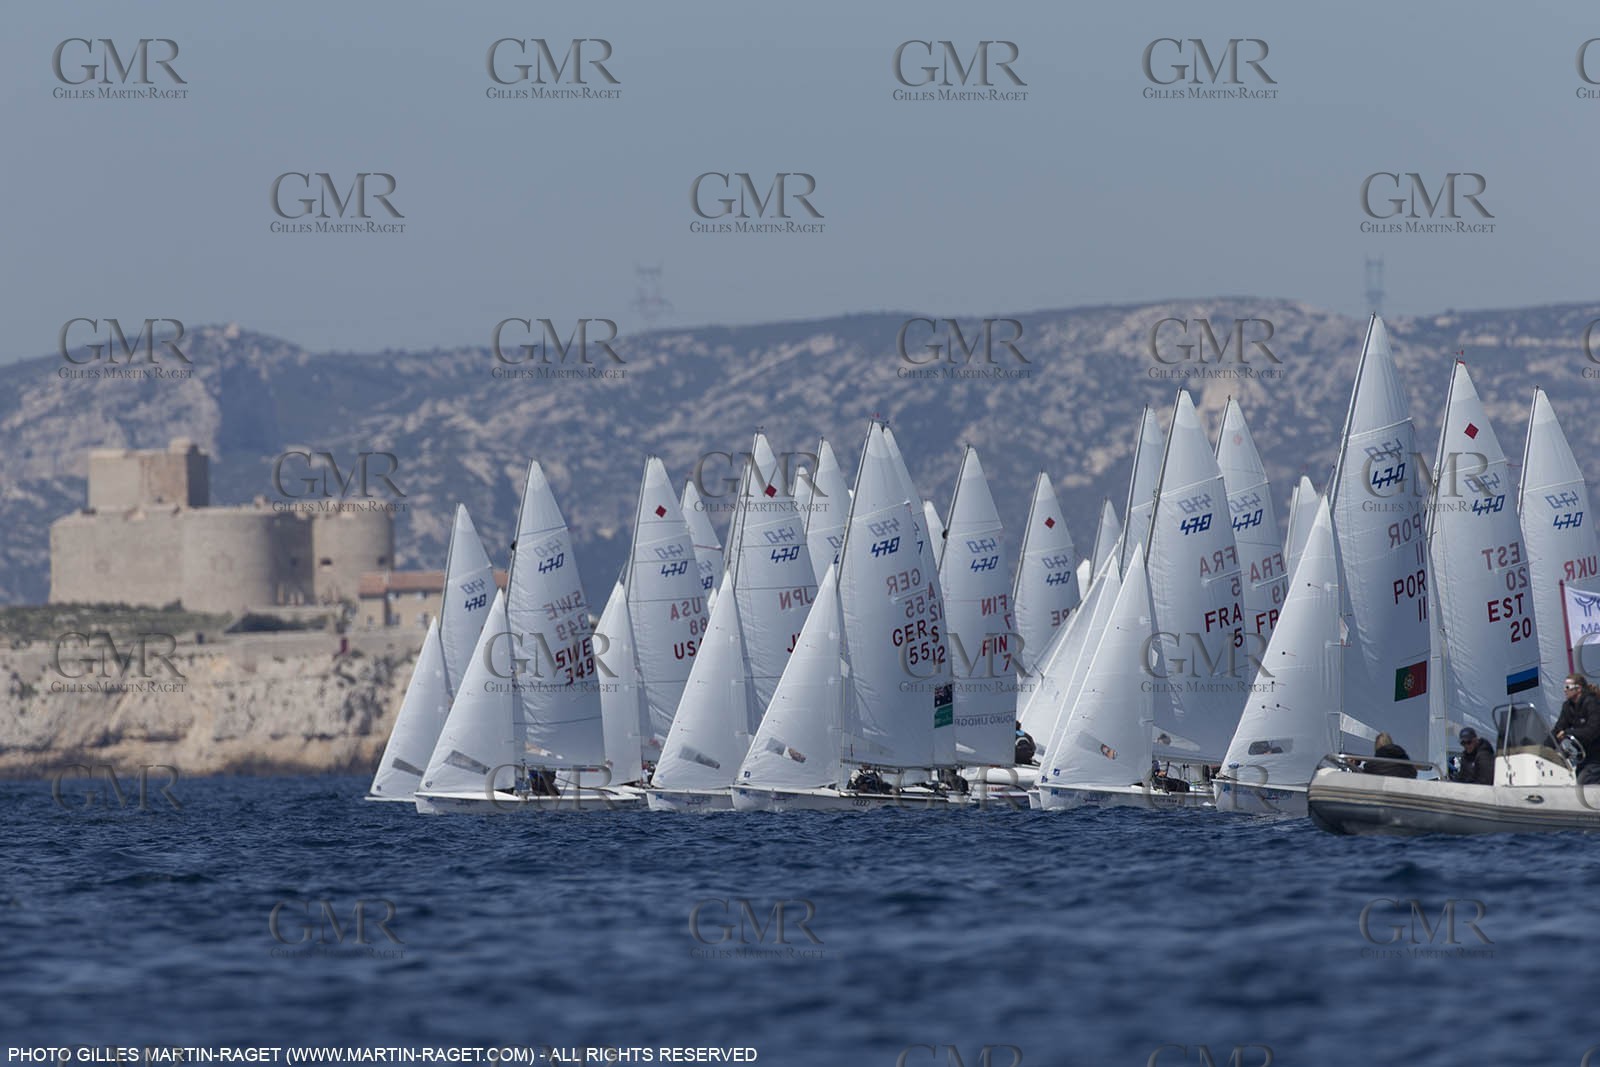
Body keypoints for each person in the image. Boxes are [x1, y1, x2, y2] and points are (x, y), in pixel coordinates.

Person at [1555, 674, 1600, 785]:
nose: (1564, 690)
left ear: (1578, 688)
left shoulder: (1592, 703)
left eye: (1567, 687)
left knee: (1587, 779)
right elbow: (1558, 728)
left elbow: (1592, 731)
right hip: (1583, 756)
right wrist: (1543, 747)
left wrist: (1568, 733)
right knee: (1580, 779)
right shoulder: (1568, 706)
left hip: (1596, 756)